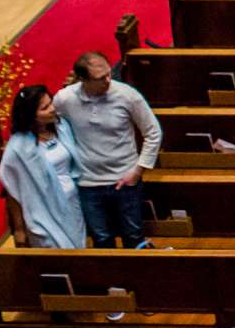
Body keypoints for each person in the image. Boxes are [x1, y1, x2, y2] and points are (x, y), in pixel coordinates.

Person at [52, 51, 162, 248]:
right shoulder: (65, 99)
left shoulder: (127, 95)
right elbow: (50, 125)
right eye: (100, 78)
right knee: (101, 239)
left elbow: (153, 132)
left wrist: (138, 171)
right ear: (83, 79)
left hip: (125, 179)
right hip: (88, 183)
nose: (108, 80)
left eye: (109, 73)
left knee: (134, 237)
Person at [2, 84, 87, 249]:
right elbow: (12, 189)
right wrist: (19, 229)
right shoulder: (18, 148)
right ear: (31, 115)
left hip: (72, 206)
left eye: (51, 103)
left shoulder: (62, 127)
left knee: (78, 255)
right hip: (41, 212)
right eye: (45, 108)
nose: (53, 109)